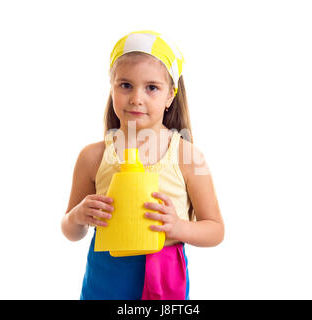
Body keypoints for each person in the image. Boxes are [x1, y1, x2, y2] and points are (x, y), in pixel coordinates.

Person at [61, 30, 224, 300]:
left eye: (151, 87)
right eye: (125, 85)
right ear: (111, 86)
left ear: (170, 95)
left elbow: (216, 229)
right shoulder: (92, 157)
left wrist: (178, 227)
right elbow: (70, 230)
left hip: (164, 274)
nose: (137, 98)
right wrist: (78, 216)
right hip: (106, 274)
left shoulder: (187, 155)